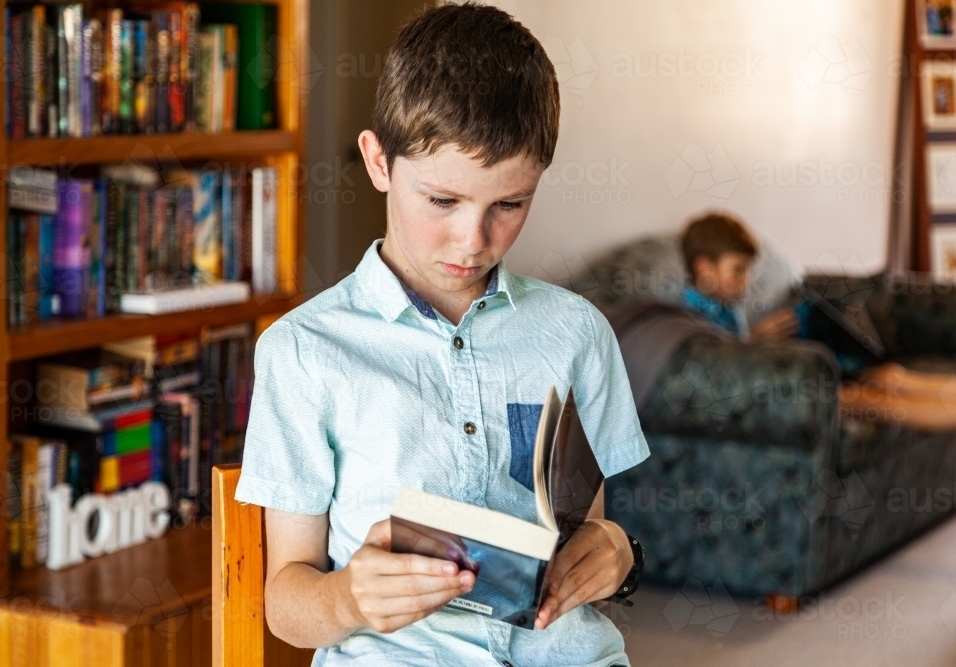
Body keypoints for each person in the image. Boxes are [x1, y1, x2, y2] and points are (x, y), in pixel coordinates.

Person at [233, 4, 649, 666]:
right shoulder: (304, 351)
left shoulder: (577, 332)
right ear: (378, 162)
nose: (473, 239)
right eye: (443, 201)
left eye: (509, 204)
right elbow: (286, 603)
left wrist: (618, 550)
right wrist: (349, 599)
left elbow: (580, 532)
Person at [679, 211, 799, 341]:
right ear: (704, 268)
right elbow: (712, 358)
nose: (747, 280)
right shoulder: (689, 316)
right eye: (738, 270)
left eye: (748, 270)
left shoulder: (729, 308)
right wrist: (754, 339)